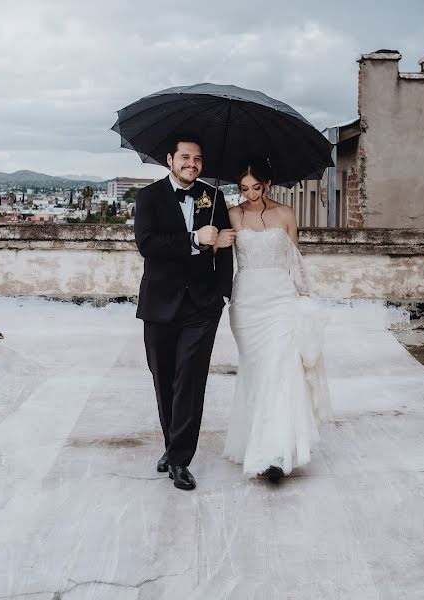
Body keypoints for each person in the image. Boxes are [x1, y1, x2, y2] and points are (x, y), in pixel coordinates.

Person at [218, 156, 331, 482]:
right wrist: (217, 242)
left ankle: (275, 454)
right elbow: (221, 258)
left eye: (255, 187)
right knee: (257, 374)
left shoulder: (286, 214)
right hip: (248, 304)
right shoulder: (232, 215)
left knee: (280, 371)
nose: (250, 194)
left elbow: (294, 259)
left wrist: (304, 297)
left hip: (281, 301)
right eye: (243, 189)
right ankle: (259, 443)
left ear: (267, 184)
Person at [133, 133, 235, 491]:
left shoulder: (215, 196)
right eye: (186, 157)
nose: (193, 163)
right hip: (159, 303)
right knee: (164, 380)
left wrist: (223, 293)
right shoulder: (148, 197)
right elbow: (147, 244)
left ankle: (179, 459)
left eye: (198, 159)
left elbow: (225, 248)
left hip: (202, 306)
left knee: (190, 381)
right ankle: (171, 444)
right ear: (170, 160)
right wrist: (195, 238)